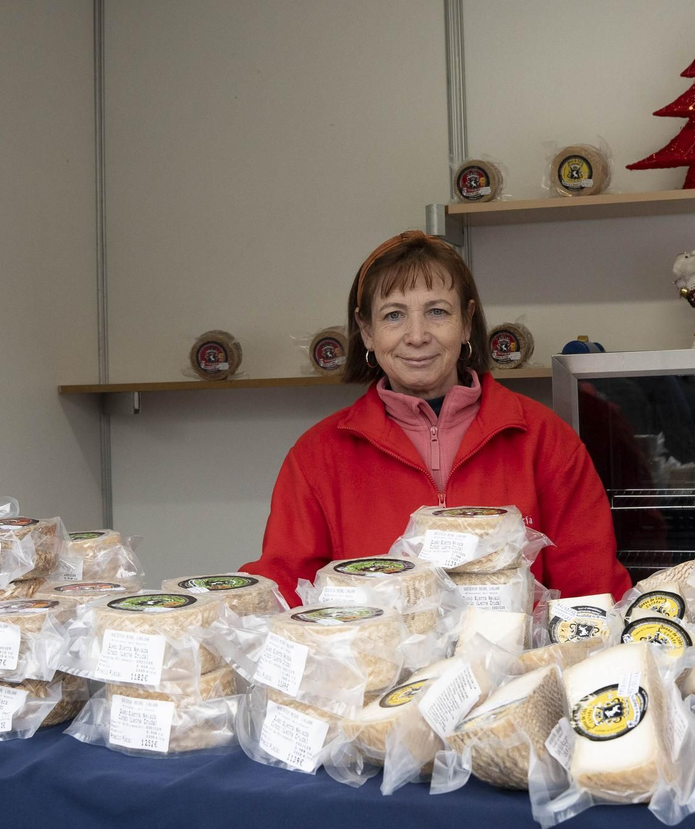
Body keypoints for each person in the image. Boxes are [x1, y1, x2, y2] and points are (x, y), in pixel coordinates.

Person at [242, 230, 631, 605]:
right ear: (367, 331)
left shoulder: (545, 439)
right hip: (377, 654)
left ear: (466, 321)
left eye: (437, 312)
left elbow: (592, 591)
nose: (417, 335)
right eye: (393, 315)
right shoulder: (317, 455)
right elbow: (283, 594)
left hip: (522, 653)